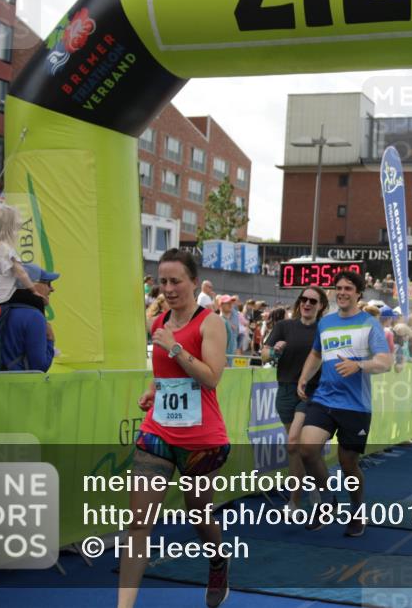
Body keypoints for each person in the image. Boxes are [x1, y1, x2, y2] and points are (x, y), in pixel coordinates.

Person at [120, 249, 231, 608]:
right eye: (163, 281)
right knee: (138, 523)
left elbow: (211, 378)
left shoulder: (210, 323)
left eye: (176, 281)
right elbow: (166, 374)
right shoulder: (159, 324)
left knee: (198, 513)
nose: (168, 288)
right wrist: (153, 391)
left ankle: (217, 560)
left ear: (193, 282)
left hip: (201, 438)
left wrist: (176, 347)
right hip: (158, 432)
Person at [296, 270, 392, 536]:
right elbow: (316, 353)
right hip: (325, 398)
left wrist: (359, 365)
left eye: (348, 288)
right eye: (338, 288)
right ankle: (328, 500)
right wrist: (304, 378)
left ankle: (358, 511)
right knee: (307, 449)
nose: (342, 292)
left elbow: (385, 361)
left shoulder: (369, 324)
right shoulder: (325, 323)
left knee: (348, 464)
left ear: (359, 293)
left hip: (356, 405)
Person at [261, 286, 329, 510]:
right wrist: (274, 352)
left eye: (313, 301)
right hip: (286, 390)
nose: (307, 304)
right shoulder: (284, 326)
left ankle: (295, 500)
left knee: (293, 443)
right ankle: (315, 489)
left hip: (313, 392)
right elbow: (264, 353)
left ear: (321, 307)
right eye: (304, 299)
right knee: (300, 448)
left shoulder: (324, 329)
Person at [0, 204, 42, 307]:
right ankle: (42, 323)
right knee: (38, 301)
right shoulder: (6, 249)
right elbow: (21, 273)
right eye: (17, 228)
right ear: (9, 229)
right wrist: (34, 290)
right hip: (3, 297)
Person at [0, 264, 59, 372]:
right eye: (48, 283)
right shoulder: (34, 316)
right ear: (32, 285)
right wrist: (50, 340)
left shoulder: (1, 309)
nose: (52, 289)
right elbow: (40, 367)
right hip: (19, 385)